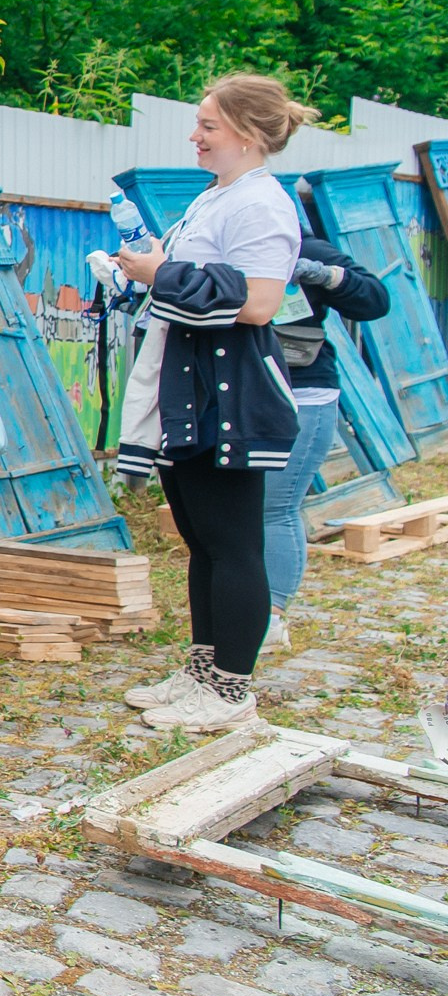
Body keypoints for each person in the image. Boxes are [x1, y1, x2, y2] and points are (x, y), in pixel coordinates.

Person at [116, 74, 306, 732]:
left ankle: (230, 688)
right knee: (202, 541)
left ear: (249, 135)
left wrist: (161, 274)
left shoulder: (262, 206)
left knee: (233, 543)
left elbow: (259, 301)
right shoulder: (216, 197)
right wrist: (149, 268)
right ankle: (202, 668)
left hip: (231, 393)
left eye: (208, 126)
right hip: (189, 390)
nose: (195, 136)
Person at [260, 225, 387, 652]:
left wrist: (326, 275)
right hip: (243, 396)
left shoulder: (305, 248)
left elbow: (374, 299)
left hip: (303, 394)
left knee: (275, 506)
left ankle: (273, 617)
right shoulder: (219, 247)